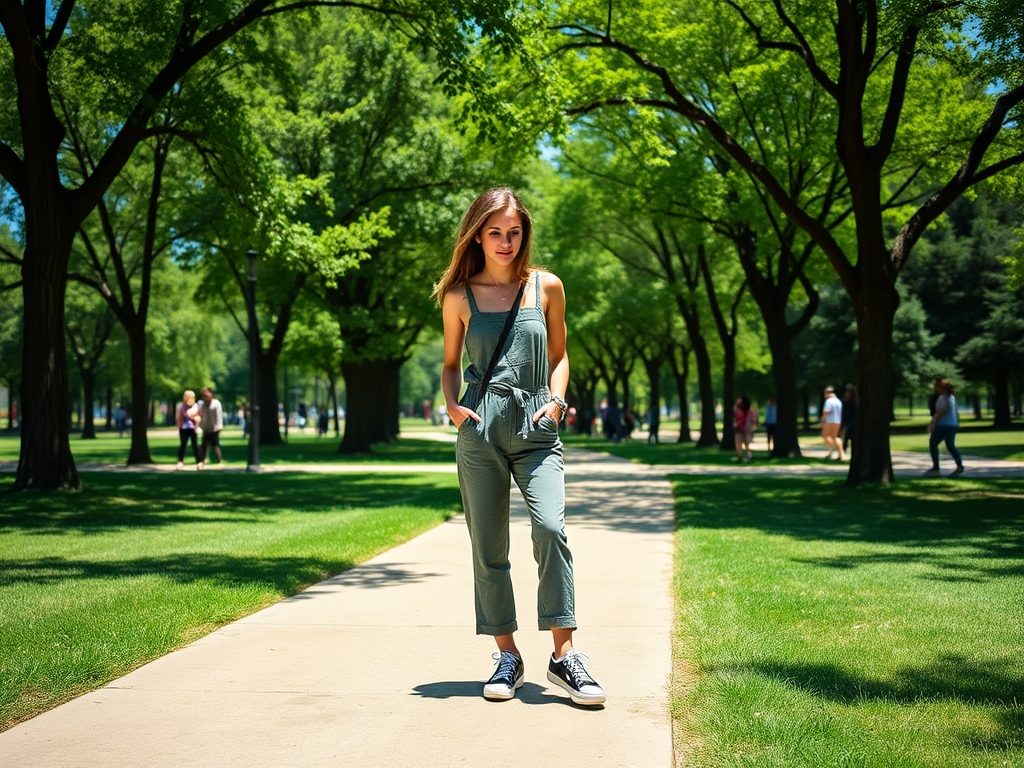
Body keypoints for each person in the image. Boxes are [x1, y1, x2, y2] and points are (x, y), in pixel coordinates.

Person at [435, 187, 605, 706]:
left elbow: (560, 354)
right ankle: (507, 655)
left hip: (536, 429)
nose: (505, 242)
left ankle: (565, 655)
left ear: (523, 233)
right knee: (489, 548)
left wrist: (556, 402)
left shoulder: (546, 287)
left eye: (514, 232)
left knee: (551, 529)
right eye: (494, 232)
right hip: (480, 429)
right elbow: (448, 364)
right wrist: (452, 406)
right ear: (477, 234)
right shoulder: (459, 295)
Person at [926, 377, 964, 477]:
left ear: (939, 388)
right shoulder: (952, 397)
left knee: (933, 444)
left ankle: (936, 467)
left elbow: (939, 413)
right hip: (953, 425)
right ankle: (959, 465)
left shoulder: (942, 398)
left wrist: (932, 424)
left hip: (943, 425)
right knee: (950, 445)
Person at [198, 387, 224, 468]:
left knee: (215, 444)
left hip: (214, 428)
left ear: (211, 395)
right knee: (204, 445)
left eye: (207, 395)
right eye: (204, 396)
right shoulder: (201, 404)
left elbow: (218, 416)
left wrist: (219, 426)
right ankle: (202, 460)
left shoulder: (216, 404)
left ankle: (219, 459)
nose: (205, 398)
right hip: (205, 427)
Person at [176, 390, 201, 470]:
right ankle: (180, 462)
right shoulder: (181, 406)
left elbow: (198, 417)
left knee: (195, 445)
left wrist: (197, 426)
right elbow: (180, 418)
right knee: (183, 445)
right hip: (184, 427)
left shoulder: (195, 406)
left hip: (193, 428)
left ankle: (199, 462)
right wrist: (179, 428)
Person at [821, 385, 845, 460]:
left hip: (829, 421)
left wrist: (822, 419)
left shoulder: (829, 401)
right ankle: (841, 452)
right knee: (834, 437)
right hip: (837, 421)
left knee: (826, 436)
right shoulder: (838, 401)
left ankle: (831, 451)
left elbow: (826, 411)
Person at [733, 395, 757, 462]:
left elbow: (753, 420)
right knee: (738, 443)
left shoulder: (750, 411)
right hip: (739, 429)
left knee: (747, 444)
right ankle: (740, 456)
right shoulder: (736, 410)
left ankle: (748, 455)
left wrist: (752, 427)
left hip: (747, 429)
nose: (738, 403)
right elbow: (735, 419)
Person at [840, 384, 857, 454]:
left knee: (847, 438)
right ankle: (844, 452)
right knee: (848, 439)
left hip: (849, 422)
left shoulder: (849, 402)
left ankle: (843, 452)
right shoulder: (854, 401)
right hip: (850, 422)